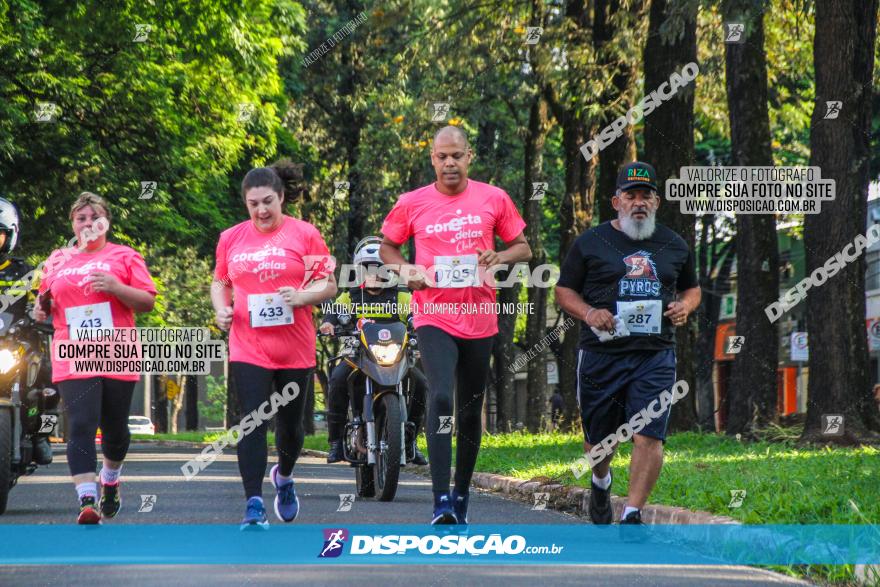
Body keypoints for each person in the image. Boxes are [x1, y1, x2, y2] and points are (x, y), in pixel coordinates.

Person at [380, 126, 532, 525]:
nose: (450, 163)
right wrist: (406, 270)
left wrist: (498, 257)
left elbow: (524, 248)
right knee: (442, 396)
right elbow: (386, 248)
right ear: (432, 158)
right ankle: (440, 500)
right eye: (442, 156)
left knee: (469, 410)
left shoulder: (493, 198)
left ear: (469, 157)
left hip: (480, 316)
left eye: (457, 156)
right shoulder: (412, 203)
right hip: (433, 313)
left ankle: (461, 491)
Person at [555, 162, 701, 525]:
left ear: (656, 202)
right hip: (601, 354)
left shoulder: (674, 244)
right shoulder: (590, 242)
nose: (639, 202)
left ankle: (633, 512)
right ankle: (601, 480)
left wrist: (685, 306)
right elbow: (563, 290)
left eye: (646, 196)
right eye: (631, 195)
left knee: (649, 434)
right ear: (616, 201)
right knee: (599, 441)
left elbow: (692, 288)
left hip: (655, 354)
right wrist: (589, 313)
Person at [212, 160, 337, 529]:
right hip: (248, 345)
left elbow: (328, 285)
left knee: (291, 427)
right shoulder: (231, 238)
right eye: (253, 204)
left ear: (282, 198)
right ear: (245, 205)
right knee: (251, 422)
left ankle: (283, 476)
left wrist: (301, 297)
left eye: (268, 201)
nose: (262, 210)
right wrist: (222, 309)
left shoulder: (306, 235)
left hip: (294, 347)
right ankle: (253, 503)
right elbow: (220, 282)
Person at [34, 192, 157, 524]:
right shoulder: (57, 259)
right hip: (73, 351)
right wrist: (40, 309)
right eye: (81, 218)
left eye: (94, 217)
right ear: (73, 224)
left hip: (117, 349)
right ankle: (86, 500)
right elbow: (43, 301)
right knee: (82, 424)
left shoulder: (125, 256)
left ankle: (111, 479)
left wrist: (116, 287)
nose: (87, 223)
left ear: (106, 222)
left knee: (115, 430)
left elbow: (147, 302)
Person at [318, 238, 428, 466]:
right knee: (337, 380)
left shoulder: (402, 296)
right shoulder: (350, 296)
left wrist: (419, 324)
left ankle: (411, 441)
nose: (374, 274)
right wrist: (328, 324)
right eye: (367, 269)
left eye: (380, 269)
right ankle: (336, 442)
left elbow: (416, 315)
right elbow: (333, 313)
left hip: (396, 358)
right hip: (356, 356)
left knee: (422, 383)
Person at [0, 198, 56, 466]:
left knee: (46, 380)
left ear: (9, 236)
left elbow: (44, 299)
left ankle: (40, 436)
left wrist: (44, 315)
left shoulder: (25, 272)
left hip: (18, 341)